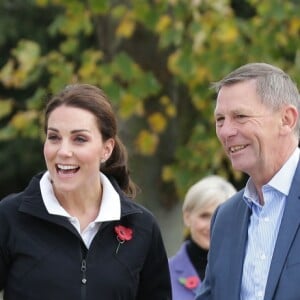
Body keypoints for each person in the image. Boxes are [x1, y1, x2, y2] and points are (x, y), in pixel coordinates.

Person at [0, 83, 172, 300]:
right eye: (54, 137)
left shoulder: (142, 227)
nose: (63, 151)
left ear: (106, 149)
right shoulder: (9, 216)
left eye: (79, 139)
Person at [196, 62, 300, 300]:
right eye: (220, 119)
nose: (225, 132)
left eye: (240, 116)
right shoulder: (225, 217)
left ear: (287, 119)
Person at [168, 175, 236, 300]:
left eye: (220, 216)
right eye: (204, 216)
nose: (212, 226)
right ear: (187, 217)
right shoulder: (163, 274)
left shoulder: (246, 271)